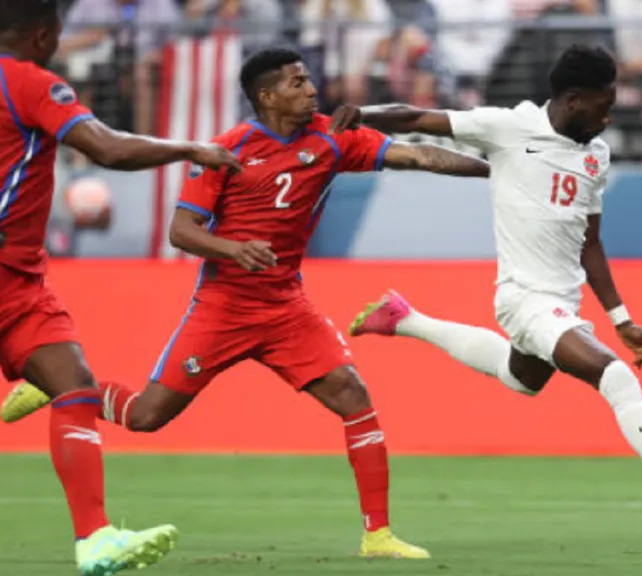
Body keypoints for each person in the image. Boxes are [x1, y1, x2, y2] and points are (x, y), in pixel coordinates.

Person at [3, 46, 490, 559]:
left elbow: (418, 155)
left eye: (309, 81)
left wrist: (492, 172)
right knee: (147, 417)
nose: (310, 90)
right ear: (267, 95)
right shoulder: (227, 149)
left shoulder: (331, 137)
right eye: (298, 83)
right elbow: (181, 231)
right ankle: (58, 387)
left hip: (286, 308)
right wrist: (234, 248)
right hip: (223, 308)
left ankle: (378, 535)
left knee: (354, 397)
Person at [335, 44, 642, 536]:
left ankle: (403, 318)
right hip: (524, 300)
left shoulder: (596, 155)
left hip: (560, 305)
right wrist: (363, 114)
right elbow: (421, 115)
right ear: (572, 100)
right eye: (603, 106)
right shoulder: (509, 128)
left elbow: (591, 244)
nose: (610, 117)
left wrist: (621, 319)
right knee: (616, 379)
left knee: (518, 377)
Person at [0, 0, 240, 574]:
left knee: (75, 384)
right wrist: (189, 148)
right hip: (11, 280)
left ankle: (96, 539)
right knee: (75, 388)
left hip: (21, 280)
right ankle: (92, 537)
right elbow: (104, 147)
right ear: (43, 33)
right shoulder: (30, 82)